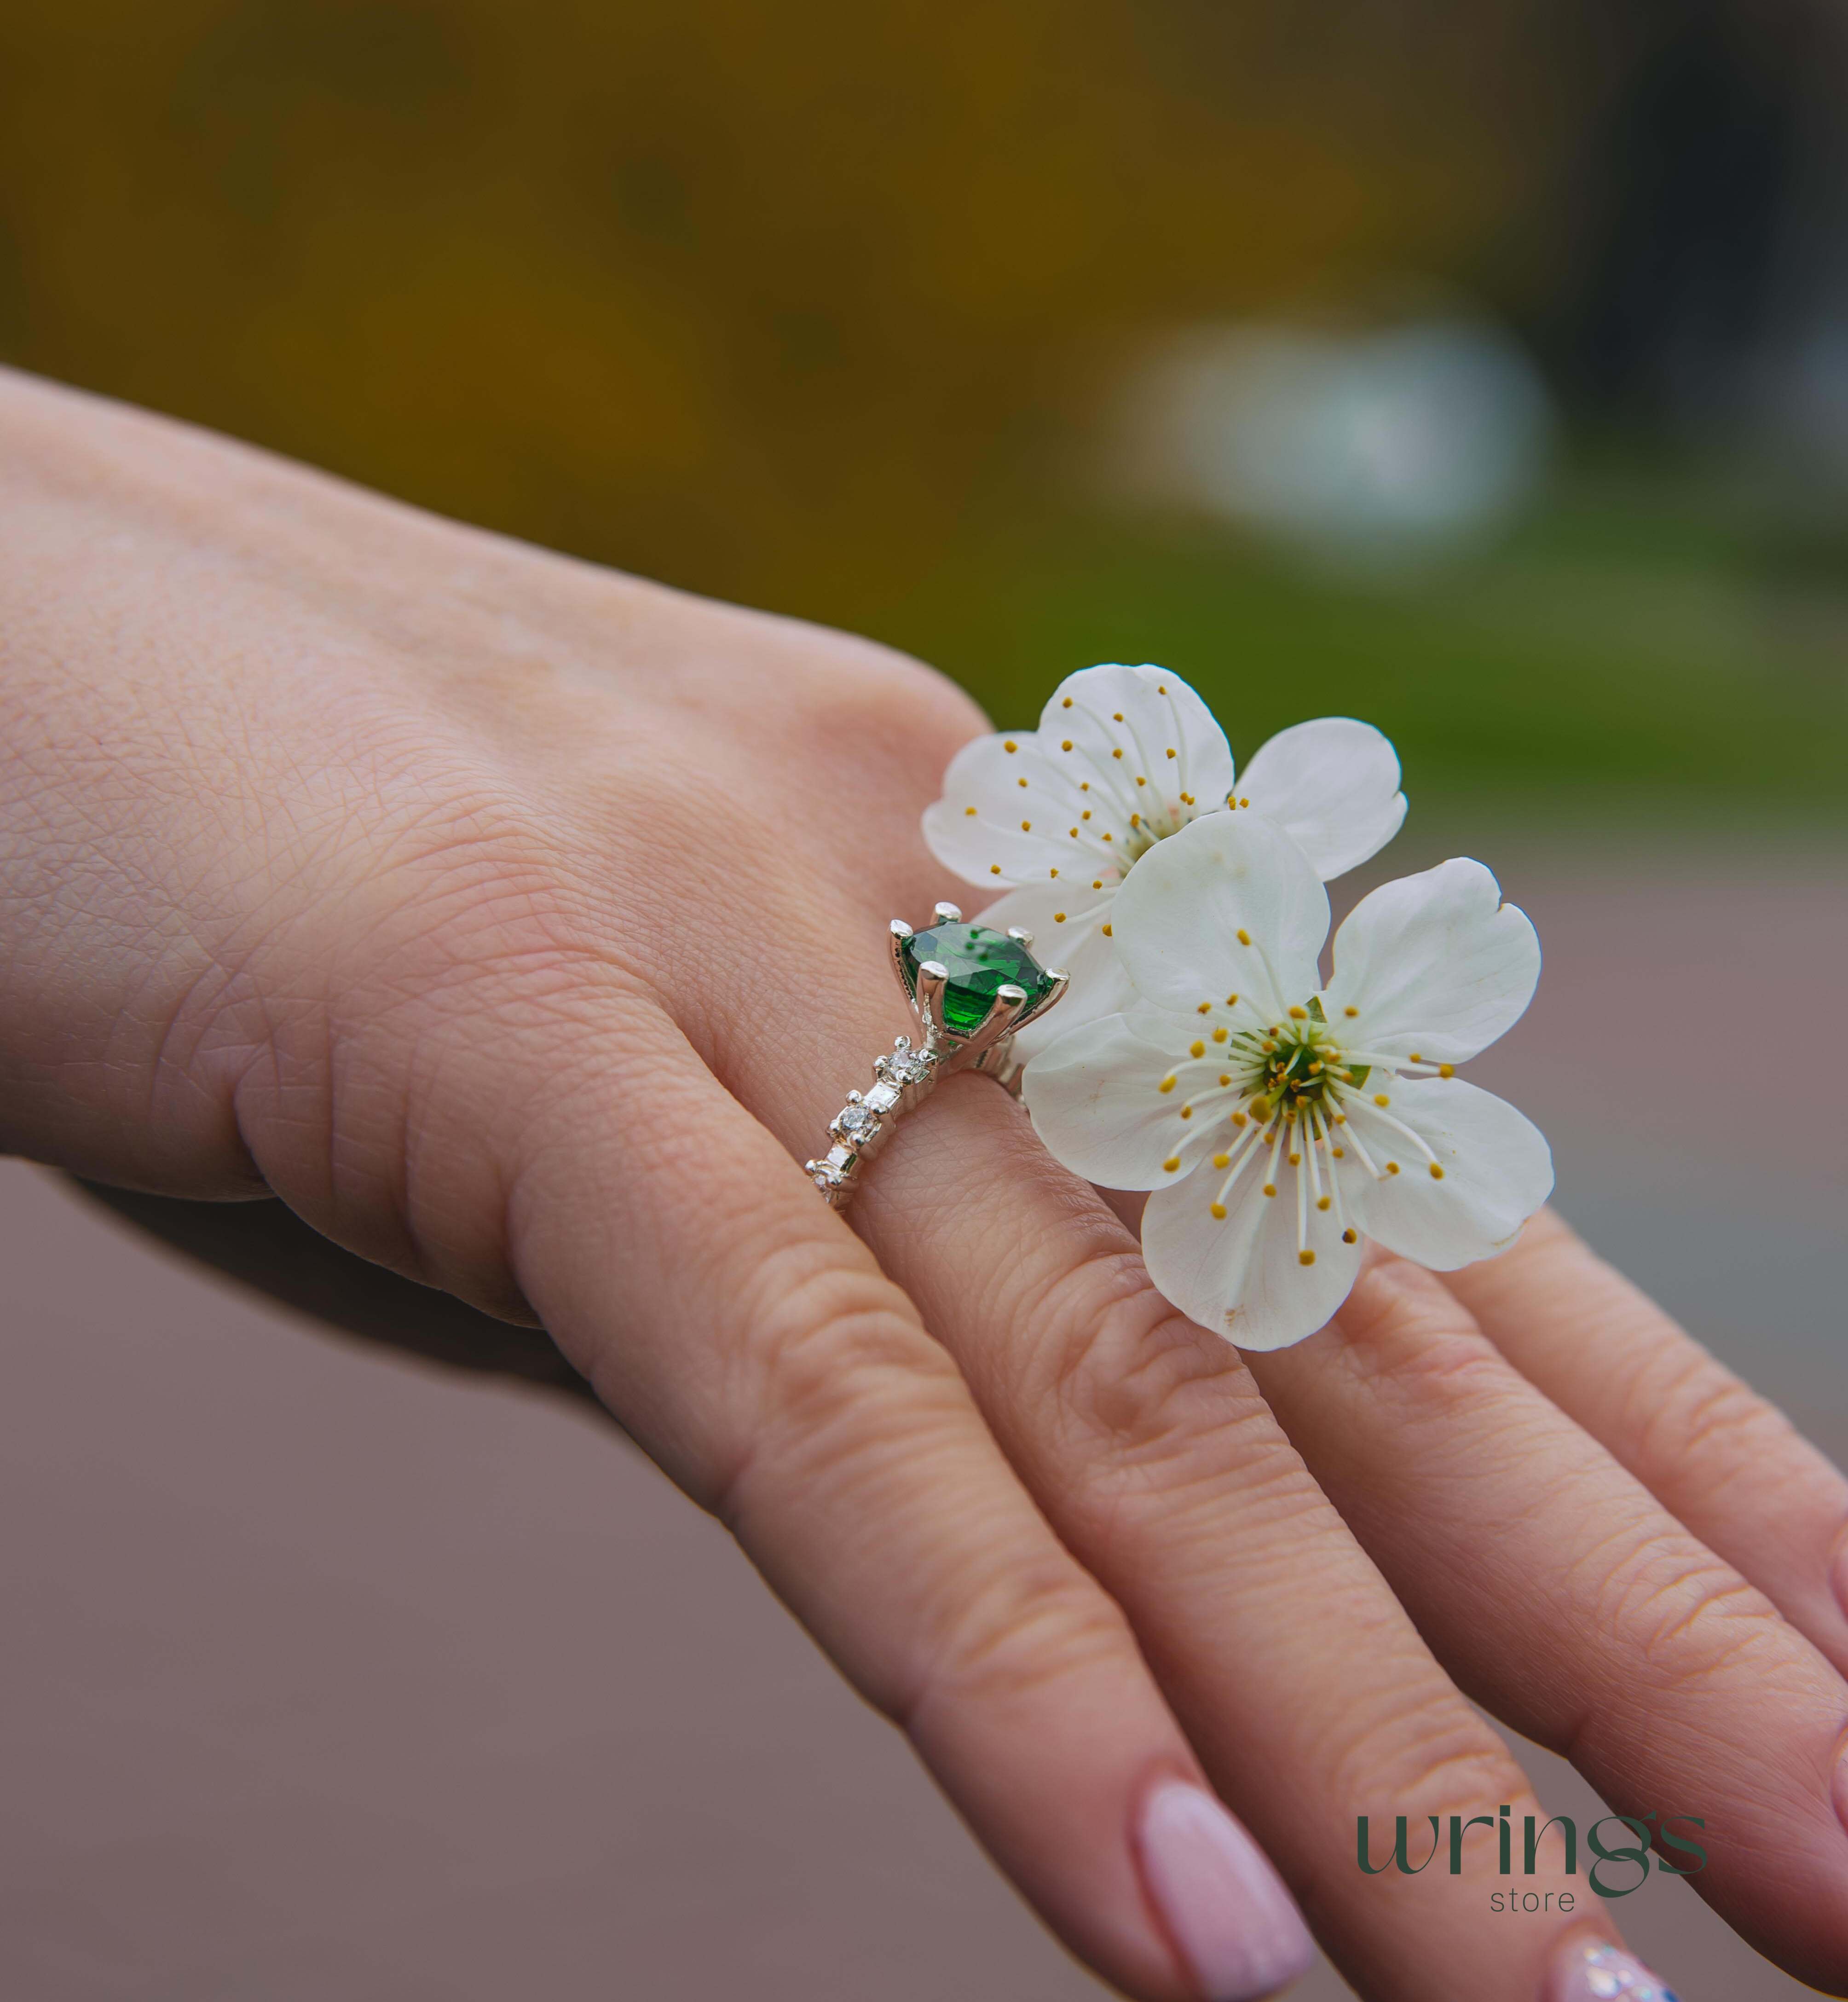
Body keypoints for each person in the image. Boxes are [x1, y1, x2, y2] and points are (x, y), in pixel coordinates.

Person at [3, 363, 1844, 2002]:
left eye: (1300, 1058)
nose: (1291, 1062)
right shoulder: (1143, 967)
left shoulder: (1233, 953)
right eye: (1285, 1051)